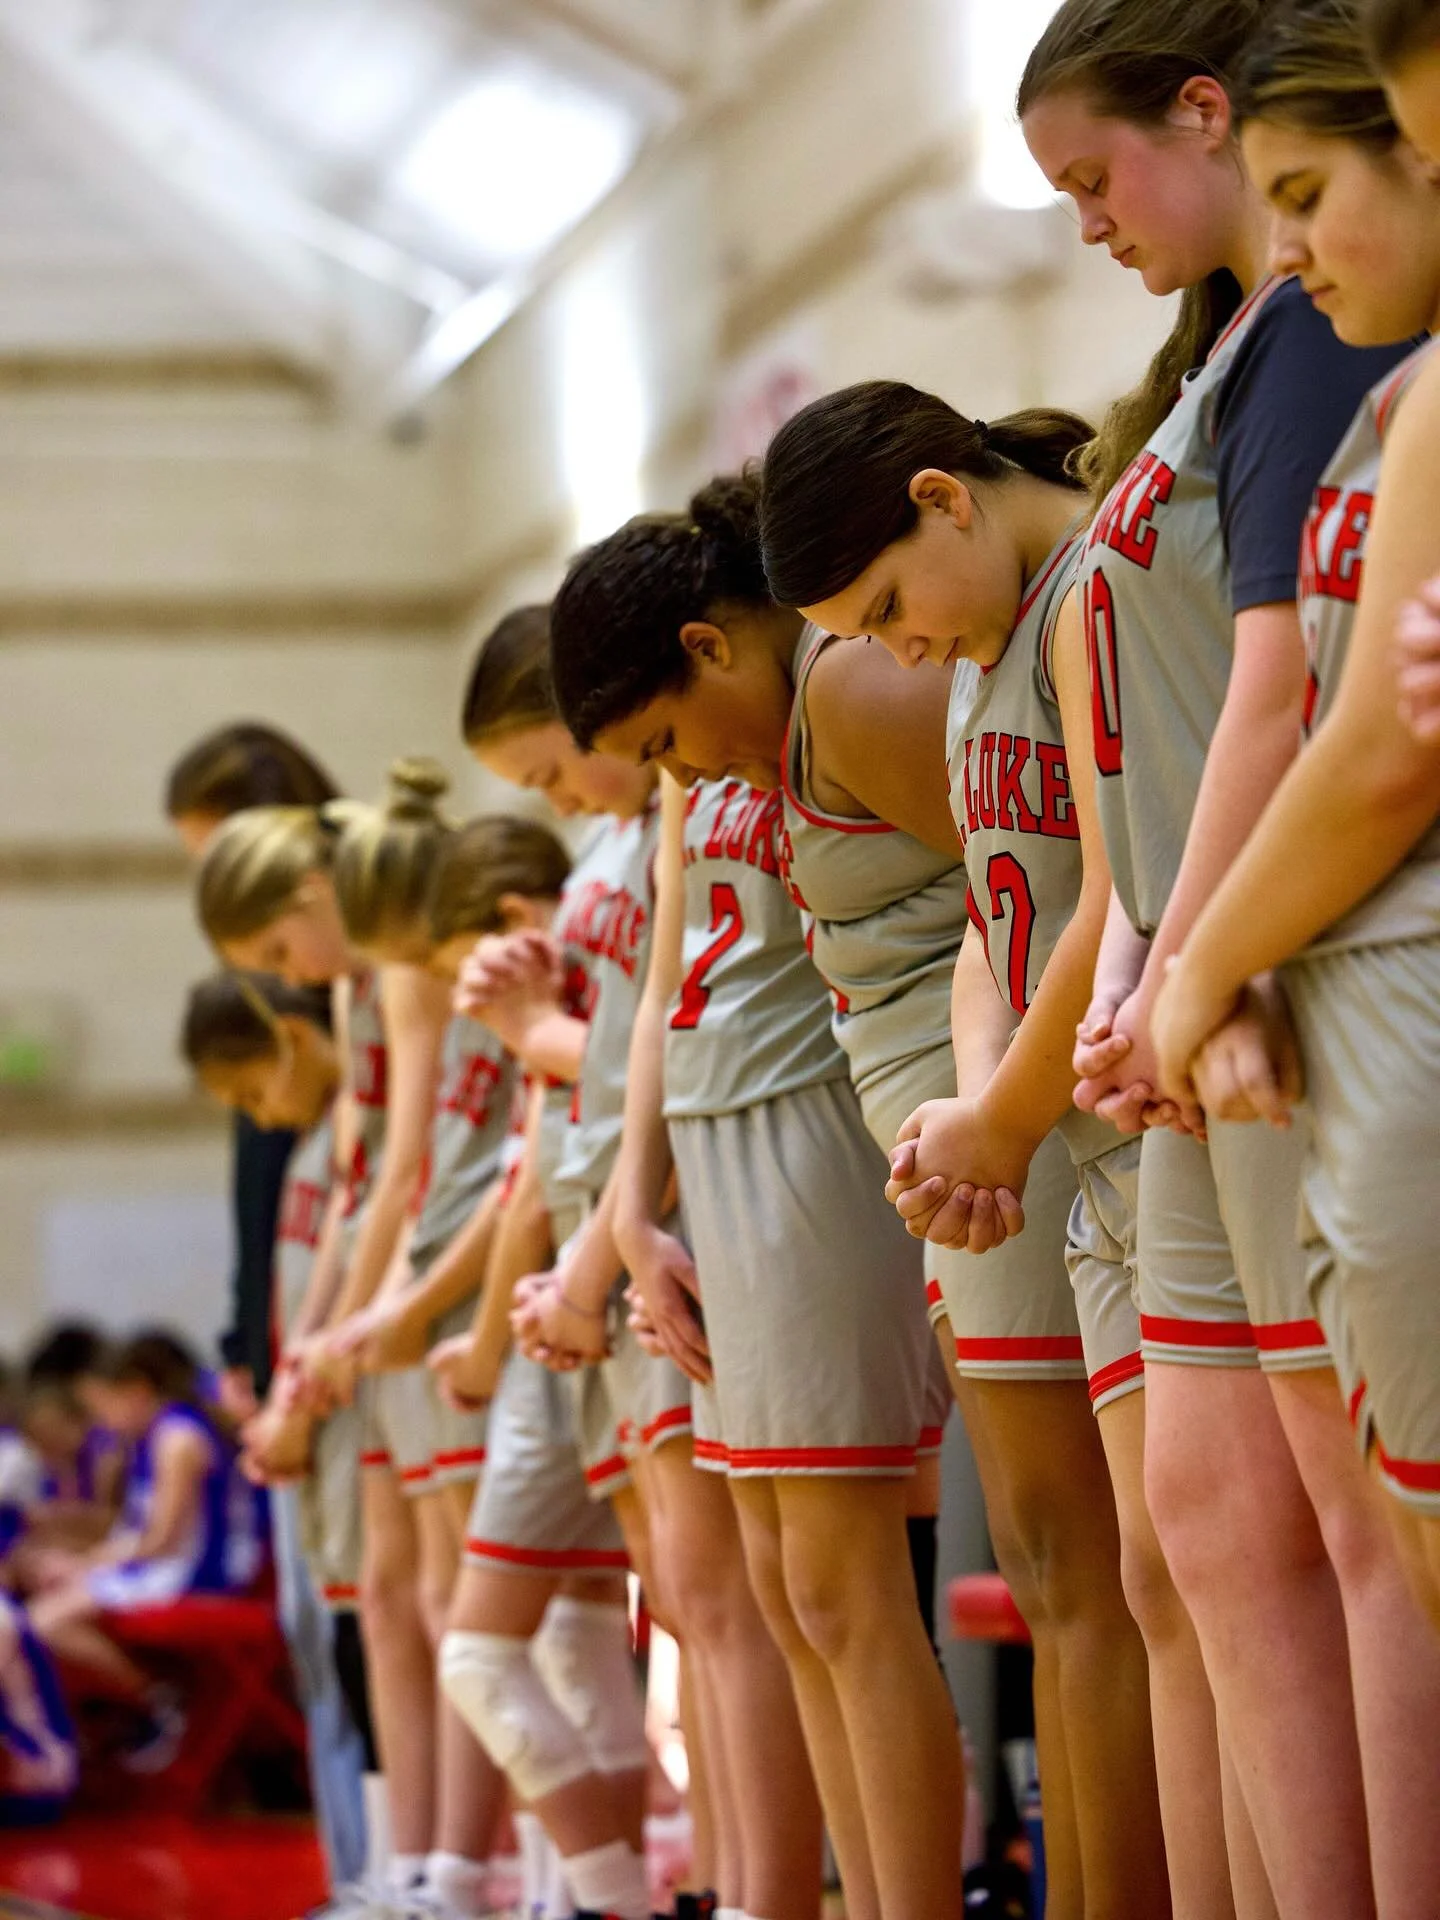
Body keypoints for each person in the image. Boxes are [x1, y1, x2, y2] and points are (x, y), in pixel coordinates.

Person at [1019, 2, 1436, 1911]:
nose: (1088, 226)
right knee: (1225, 1530)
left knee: (1354, 1521)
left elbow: (1308, 717)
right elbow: (1162, 759)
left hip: (1290, 966)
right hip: (1230, 968)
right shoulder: (1269, 366)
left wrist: (1181, 972)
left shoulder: (1315, 360)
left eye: (1098, 178)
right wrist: (1145, 973)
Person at [760, 380, 1228, 1915]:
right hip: (1059, 1150)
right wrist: (971, 1113)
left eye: (890, 604)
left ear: (945, 497)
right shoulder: (969, 662)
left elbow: (1120, 888)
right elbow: (991, 931)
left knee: (1198, 1582)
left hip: (1152, 1137)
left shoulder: (1099, 591)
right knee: (1143, 1584)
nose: (890, 648)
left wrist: (1000, 1117)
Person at [550, 516, 968, 1920]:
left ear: (711, 644)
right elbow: (667, 991)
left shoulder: (848, 691)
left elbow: (991, 883)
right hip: (711, 1170)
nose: (676, 771)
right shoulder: (711, 775)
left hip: (817, 1145)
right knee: (793, 1596)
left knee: (849, 1591)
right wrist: (628, 1208)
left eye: (668, 737)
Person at [1150, 0, 1440, 1672]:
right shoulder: (1377, 407)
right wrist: (1233, 968)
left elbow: (1371, 756)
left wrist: (1197, 968)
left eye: (1310, 191)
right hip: (1341, 1029)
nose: (1289, 250)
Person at [27, 1334, 264, 1773]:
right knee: (46, 1601)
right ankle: (140, 1705)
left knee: (49, 1620)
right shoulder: (149, 1439)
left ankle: (156, 1700)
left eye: (104, 1406)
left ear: (136, 1391)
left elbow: (162, 1541)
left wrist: (88, 1565)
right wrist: (82, 1563)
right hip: (166, 1568)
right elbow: (135, 1534)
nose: (102, 1421)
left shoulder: (179, 1438)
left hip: (200, 1574)